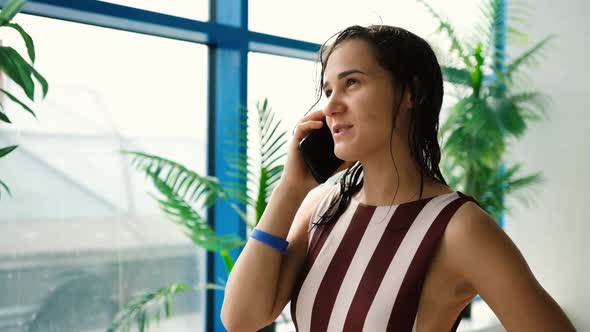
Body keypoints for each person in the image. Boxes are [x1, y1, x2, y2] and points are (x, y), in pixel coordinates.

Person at [221, 25, 576, 332]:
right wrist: (290, 189)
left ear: (412, 93)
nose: (331, 105)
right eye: (328, 91)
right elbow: (241, 319)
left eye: (352, 83)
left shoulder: (460, 228)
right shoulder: (319, 207)